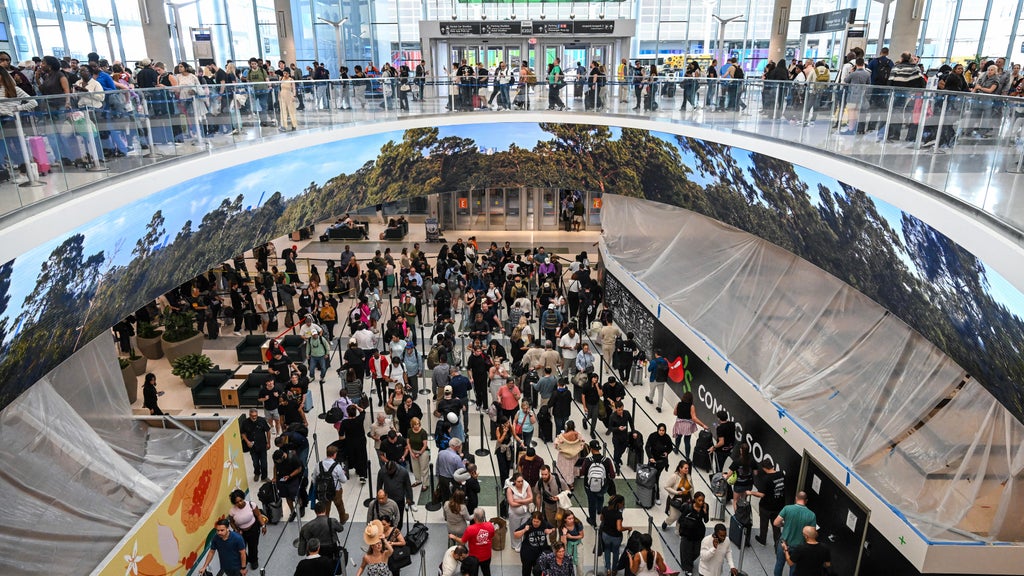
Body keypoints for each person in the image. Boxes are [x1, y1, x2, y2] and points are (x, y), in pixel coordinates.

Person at [773, 491, 817, 576]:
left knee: (779, 564)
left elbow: (775, 523)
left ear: (796, 498)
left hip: (784, 543)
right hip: (799, 546)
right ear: (806, 500)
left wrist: (784, 524)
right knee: (794, 568)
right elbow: (813, 534)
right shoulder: (812, 515)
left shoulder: (787, 508)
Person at [227, 489, 266, 571]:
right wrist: (236, 530)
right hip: (240, 532)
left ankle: (254, 561)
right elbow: (231, 523)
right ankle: (246, 559)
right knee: (241, 548)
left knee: (253, 547)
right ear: (234, 503)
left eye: (241, 500)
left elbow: (258, 515)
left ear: (243, 498)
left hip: (253, 529)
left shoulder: (251, 505)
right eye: (237, 502)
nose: (240, 503)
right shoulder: (232, 511)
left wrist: (263, 526)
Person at [581, 439, 615, 527]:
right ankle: (599, 510)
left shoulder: (587, 460)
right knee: (600, 496)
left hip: (589, 486)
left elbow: (582, 472)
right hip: (603, 486)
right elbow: (612, 475)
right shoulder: (606, 460)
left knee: (591, 502)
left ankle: (593, 521)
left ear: (591, 449)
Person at [313, 444, 349, 525]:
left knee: (326, 508)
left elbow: (314, 478)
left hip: (323, 490)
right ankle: (343, 518)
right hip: (336, 490)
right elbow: (343, 480)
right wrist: (343, 473)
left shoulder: (318, 464)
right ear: (335, 454)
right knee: (339, 504)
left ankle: (325, 522)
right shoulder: (337, 466)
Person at [599, 494, 631, 576]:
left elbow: (601, 519)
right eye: (622, 503)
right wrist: (627, 528)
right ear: (618, 504)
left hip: (605, 535)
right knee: (616, 552)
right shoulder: (618, 514)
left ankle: (608, 569)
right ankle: (614, 570)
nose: (623, 505)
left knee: (607, 550)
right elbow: (619, 528)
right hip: (616, 537)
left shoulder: (605, 509)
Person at [678, 492, 710, 576]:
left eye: (702, 501)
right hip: (687, 532)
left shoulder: (705, 506)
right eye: (699, 500)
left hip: (698, 533)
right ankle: (688, 568)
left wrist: (705, 512)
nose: (701, 503)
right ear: (695, 499)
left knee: (697, 551)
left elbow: (706, 520)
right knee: (686, 551)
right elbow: (680, 519)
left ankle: (687, 561)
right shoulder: (688, 507)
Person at [515, 511, 554, 576]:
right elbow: (516, 535)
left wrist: (550, 530)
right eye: (534, 521)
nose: (535, 523)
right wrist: (524, 530)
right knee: (526, 572)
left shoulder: (544, 524)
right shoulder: (528, 523)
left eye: (537, 522)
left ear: (541, 521)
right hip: (528, 553)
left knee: (538, 571)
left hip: (540, 553)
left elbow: (553, 528)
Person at [460, 509, 496, 576]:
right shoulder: (490, 525)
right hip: (487, 556)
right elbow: (492, 536)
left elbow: (462, 542)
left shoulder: (470, 529)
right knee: (486, 571)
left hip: (474, 558)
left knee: (473, 573)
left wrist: (454, 537)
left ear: (474, 517)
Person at [240, 408, 272, 482]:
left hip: (262, 445)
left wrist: (268, 442)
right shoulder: (245, 422)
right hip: (252, 447)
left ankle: (264, 477)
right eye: (252, 416)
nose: (254, 417)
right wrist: (247, 442)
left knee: (264, 463)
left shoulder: (262, 420)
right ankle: (257, 473)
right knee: (255, 462)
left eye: (256, 415)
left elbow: (268, 431)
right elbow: (243, 433)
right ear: (249, 415)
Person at [673, 391, 707, 459]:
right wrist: (703, 425)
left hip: (679, 424)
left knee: (678, 437)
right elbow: (694, 418)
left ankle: (676, 449)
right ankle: (687, 456)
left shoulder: (678, 404)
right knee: (687, 441)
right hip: (688, 426)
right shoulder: (691, 406)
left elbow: (675, 413)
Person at [661, 460, 693, 530]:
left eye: (688, 468)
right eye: (685, 468)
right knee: (674, 516)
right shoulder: (674, 476)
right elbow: (666, 486)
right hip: (676, 499)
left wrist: (692, 498)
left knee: (682, 516)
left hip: (686, 499)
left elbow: (691, 488)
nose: (687, 470)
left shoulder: (688, 476)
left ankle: (678, 530)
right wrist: (676, 492)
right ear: (680, 468)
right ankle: (666, 522)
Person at [506, 472, 534, 552]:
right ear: (514, 481)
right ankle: (515, 545)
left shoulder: (526, 485)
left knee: (526, 529)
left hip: (526, 513)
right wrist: (525, 501)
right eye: (519, 481)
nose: (521, 483)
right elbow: (512, 503)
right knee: (515, 529)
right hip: (514, 514)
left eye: (522, 481)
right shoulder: (510, 489)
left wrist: (518, 500)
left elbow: (531, 498)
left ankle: (525, 544)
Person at [553, 421, 584, 486]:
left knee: (565, 469)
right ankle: (571, 483)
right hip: (574, 456)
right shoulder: (578, 434)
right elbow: (582, 443)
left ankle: (565, 483)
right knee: (571, 468)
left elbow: (556, 445)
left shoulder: (562, 436)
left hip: (564, 456)